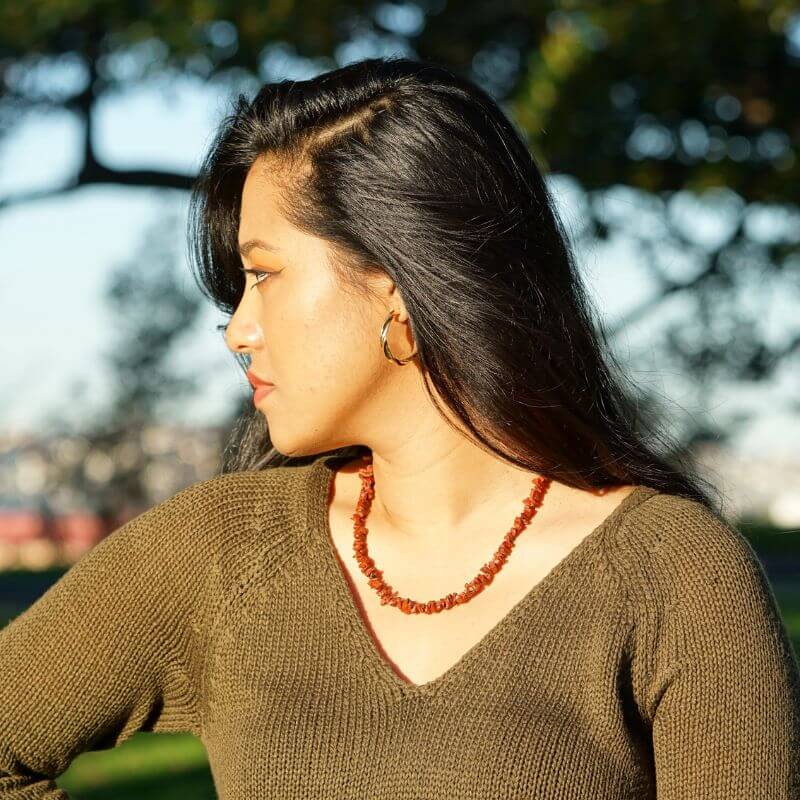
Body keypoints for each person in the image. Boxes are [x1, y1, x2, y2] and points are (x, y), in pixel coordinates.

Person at [1, 56, 798, 799]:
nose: (238, 329)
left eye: (263, 275)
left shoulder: (674, 576)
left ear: (396, 284)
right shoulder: (221, 554)